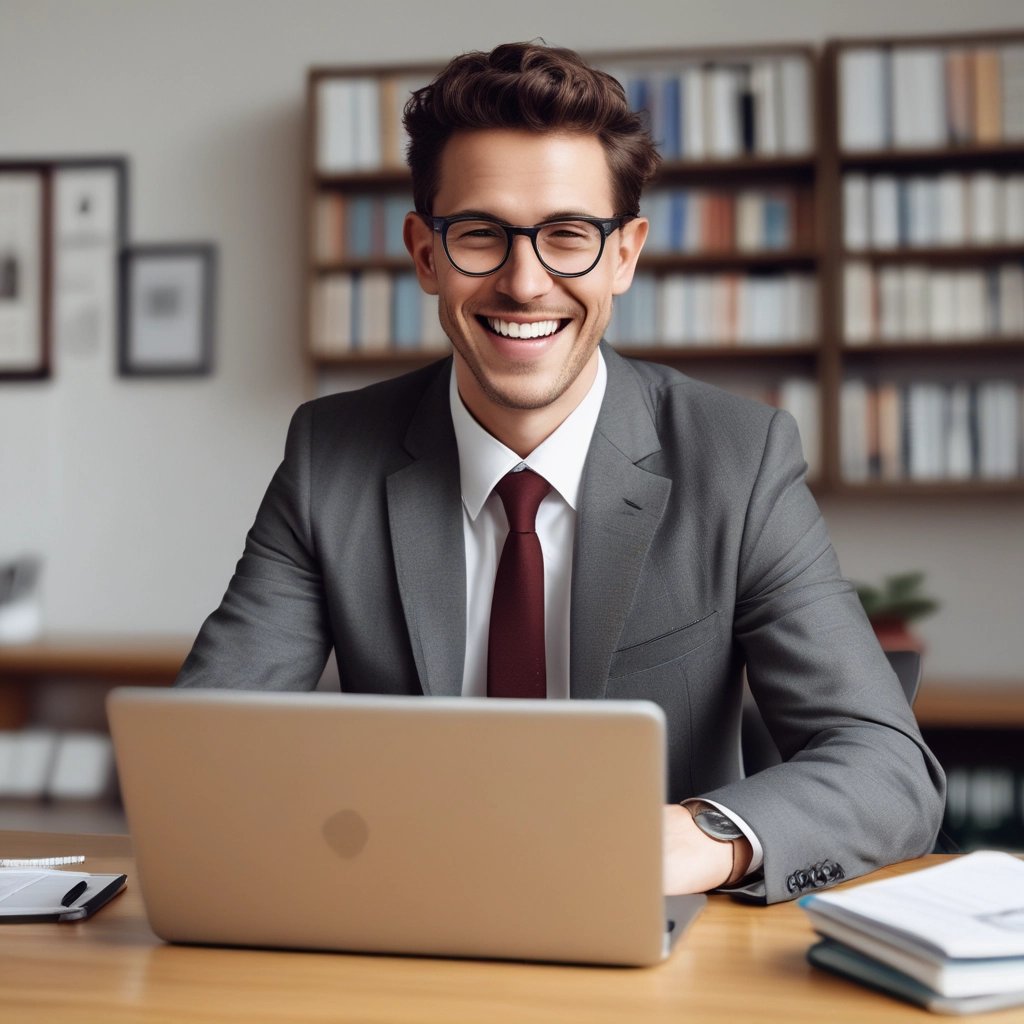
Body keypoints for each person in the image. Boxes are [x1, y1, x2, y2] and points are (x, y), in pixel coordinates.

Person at [176, 41, 945, 903]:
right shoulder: (331, 455)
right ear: (425, 254)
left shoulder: (739, 458)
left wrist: (703, 836)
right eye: (480, 235)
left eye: (568, 236)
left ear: (625, 256)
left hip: (648, 926)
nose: (525, 282)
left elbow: (888, 767)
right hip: (405, 911)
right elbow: (204, 748)